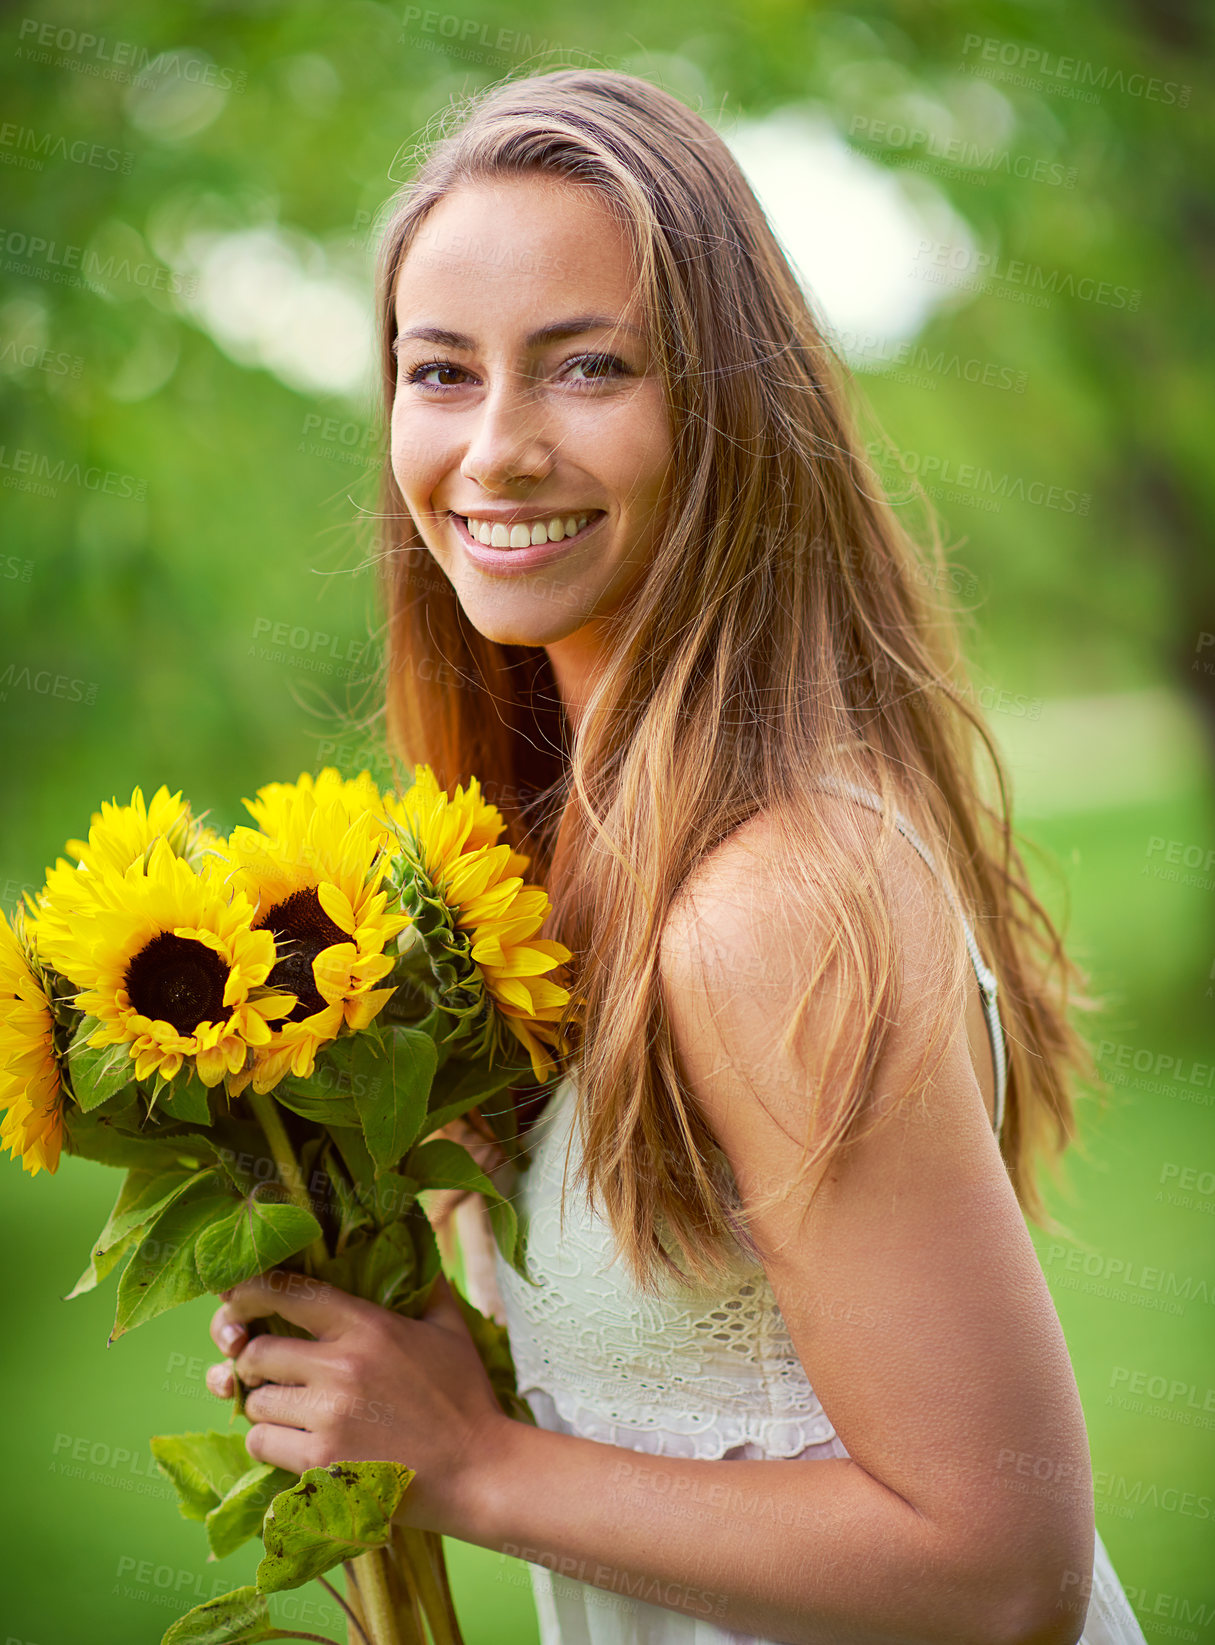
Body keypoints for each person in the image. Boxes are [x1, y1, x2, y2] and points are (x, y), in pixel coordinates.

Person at [205, 68, 1150, 1645]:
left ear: (727, 408)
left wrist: (468, 1461)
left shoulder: (770, 897)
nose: (495, 449)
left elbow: (1004, 1568)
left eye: (586, 367)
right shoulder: (551, 858)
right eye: (441, 373)